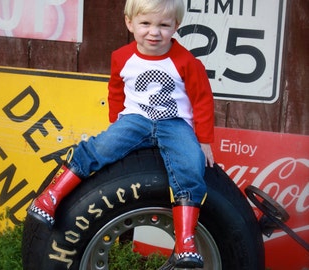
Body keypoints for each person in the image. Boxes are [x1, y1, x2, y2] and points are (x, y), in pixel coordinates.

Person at [28, 0, 214, 268]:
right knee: (98, 148)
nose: (154, 32)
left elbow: (202, 100)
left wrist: (205, 139)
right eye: (146, 23)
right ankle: (51, 197)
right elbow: (115, 90)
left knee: (190, 164)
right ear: (130, 23)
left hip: (174, 124)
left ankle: (185, 242)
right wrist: (117, 123)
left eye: (163, 25)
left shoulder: (186, 62)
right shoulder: (122, 56)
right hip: (135, 120)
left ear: (176, 26)